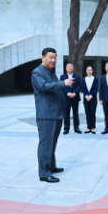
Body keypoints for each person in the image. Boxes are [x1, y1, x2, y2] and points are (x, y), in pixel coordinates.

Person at [32, 48, 74, 183]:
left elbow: (56, 89)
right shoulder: (37, 72)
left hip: (56, 113)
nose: (53, 60)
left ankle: (51, 166)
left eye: (55, 57)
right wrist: (63, 83)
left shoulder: (51, 72)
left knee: (52, 143)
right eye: (50, 57)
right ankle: (44, 173)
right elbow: (44, 87)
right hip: (46, 114)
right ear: (42, 57)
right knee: (46, 144)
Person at [60, 63, 82, 134]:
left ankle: (76, 128)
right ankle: (66, 128)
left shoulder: (77, 76)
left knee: (75, 113)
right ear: (66, 68)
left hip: (75, 98)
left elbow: (78, 86)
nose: (69, 68)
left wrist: (74, 93)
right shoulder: (62, 76)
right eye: (68, 67)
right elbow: (62, 86)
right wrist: (68, 93)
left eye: (71, 67)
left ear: (73, 68)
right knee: (66, 114)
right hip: (66, 98)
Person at [82, 65, 99, 134]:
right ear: (86, 71)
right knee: (87, 113)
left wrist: (91, 96)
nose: (89, 71)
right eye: (88, 70)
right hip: (86, 99)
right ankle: (88, 127)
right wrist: (86, 96)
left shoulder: (95, 79)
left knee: (92, 113)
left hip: (93, 98)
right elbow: (83, 89)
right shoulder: (84, 79)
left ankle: (92, 128)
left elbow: (96, 88)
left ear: (92, 71)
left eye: (90, 70)